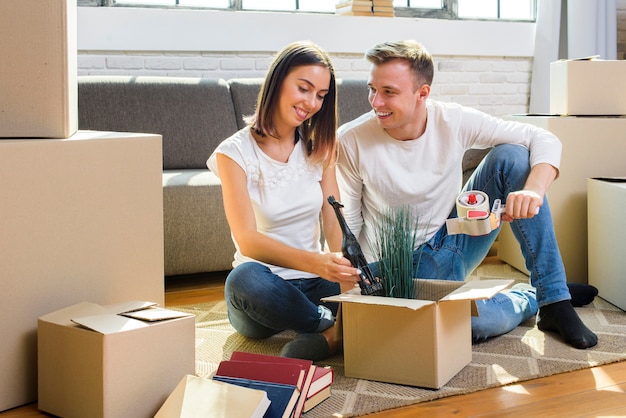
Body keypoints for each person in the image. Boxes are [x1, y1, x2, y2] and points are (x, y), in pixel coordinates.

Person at [336, 40, 598, 349]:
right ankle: (531, 296)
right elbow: (348, 225)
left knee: (513, 156)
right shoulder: (351, 140)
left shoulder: (452, 119)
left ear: (423, 94)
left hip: (455, 236)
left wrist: (533, 190)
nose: (375, 101)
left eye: (388, 92)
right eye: (372, 89)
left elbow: (542, 137)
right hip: (403, 266)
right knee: (469, 325)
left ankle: (554, 297)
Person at [206, 41, 360, 362]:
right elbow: (248, 241)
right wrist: (315, 262)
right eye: (304, 88)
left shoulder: (320, 148)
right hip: (264, 289)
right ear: (278, 82)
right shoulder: (233, 153)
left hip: (318, 283)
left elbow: (334, 222)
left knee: (385, 269)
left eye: (320, 95)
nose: (312, 103)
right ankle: (334, 328)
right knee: (243, 280)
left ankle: (328, 332)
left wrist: (345, 272)